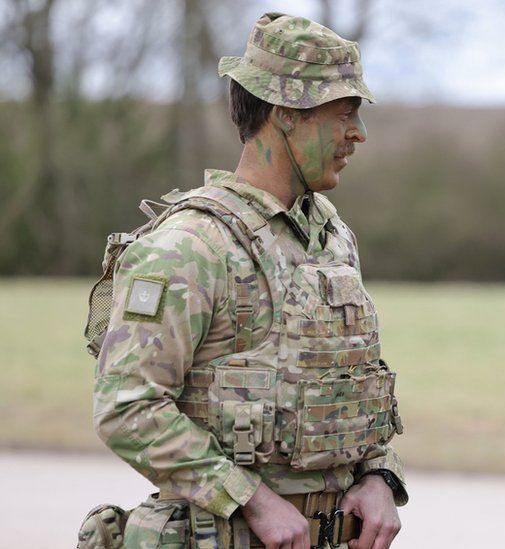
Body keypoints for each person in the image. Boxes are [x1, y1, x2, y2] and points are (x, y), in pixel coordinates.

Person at [92, 13, 406, 549]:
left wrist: (380, 474)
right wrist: (251, 500)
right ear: (286, 114)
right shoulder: (191, 246)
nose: (359, 133)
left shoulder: (331, 236)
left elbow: (355, 382)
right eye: (345, 113)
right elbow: (127, 407)